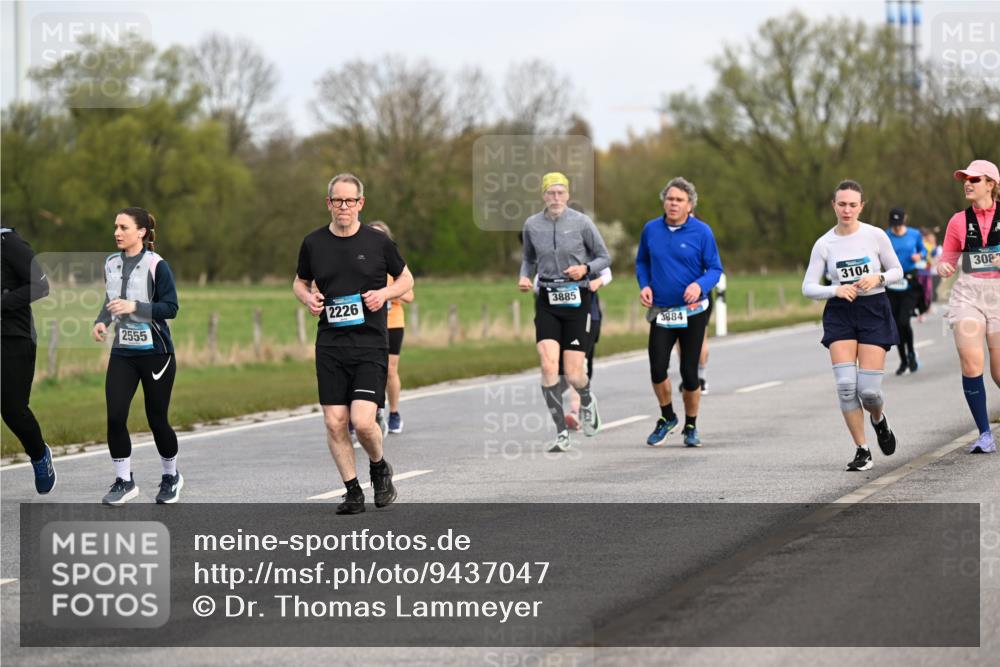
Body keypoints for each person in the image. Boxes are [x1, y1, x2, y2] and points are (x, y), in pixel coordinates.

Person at [294, 173, 414, 514]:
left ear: (360, 203)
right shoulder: (313, 243)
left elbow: (407, 278)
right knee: (334, 421)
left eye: (349, 201)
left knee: (362, 422)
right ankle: (352, 491)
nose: (343, 207)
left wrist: (385, 293)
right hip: (331, 344)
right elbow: (299, 282)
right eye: (337, 200)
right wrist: (308, 299)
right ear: (328, 203)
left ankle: (379, 466)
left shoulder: (377, 242)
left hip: (370, 344)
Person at [802, 181, 902, 471]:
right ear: (833, 205)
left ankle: (879, 419)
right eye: (842, 204)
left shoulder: (875, 236)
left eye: (852, 204)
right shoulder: (824, 244)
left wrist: (878, 278)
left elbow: (897, 270)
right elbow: (808, 286)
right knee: (846, 387)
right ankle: (862, 450)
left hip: (874, 309)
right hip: (840, 312)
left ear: (862, 206)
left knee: (869, 392)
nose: (847, 209)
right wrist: (835, 290)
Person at [91, 207, 181, 504]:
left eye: (123, 227)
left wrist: (135, 308)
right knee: (115, 417)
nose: (117, 232)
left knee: (157, 419)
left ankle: (171, 476)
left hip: (157, 353)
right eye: (115, 227)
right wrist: (102, 320)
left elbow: (171, 308)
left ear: (141, 232)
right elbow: (110, 299)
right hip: (123, 353)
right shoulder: (111, 263)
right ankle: (123, 481)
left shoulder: (157, 265)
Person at [518, 172, 611, 453]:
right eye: (551, 193)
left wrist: (585, 269)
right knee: (548, 366)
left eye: (560, 193)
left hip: (576, 300)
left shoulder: (582, 223)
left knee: (573, 373)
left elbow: (604, 257)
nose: (556, 198)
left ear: (567, 195)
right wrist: (524, 276)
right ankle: (561, 432)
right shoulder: (532, 225)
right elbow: (528, 258)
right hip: (547, 299)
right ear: (543, 195)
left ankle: (586, 397)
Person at [637, 177, 723, 448]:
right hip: (662, 310)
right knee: (657, 368)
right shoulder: (651, 229)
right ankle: (667, 416)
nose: (673, 204)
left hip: (693, 311)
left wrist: (699, 285)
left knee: (689, 371)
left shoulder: (702, 232)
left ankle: (691, 425)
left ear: (689, 205)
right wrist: (645, 285)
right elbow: (642, 261)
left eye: (679, 200)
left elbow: (715, 269)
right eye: (670, 199)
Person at [937, 159, 1000, 454]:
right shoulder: (957, 221)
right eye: (965, 178)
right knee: (971, 361)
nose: (968, 183)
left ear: (991, 184)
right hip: (968, 295)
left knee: (999, 373)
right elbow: (947, 259)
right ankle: (985, 434)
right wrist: (944, 268)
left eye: (975, 179)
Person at [1, 226, 56, 494]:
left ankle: (38, 455)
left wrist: (4, 301)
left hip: (13, 337)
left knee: (12, 408)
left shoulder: (8, 242)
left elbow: (41, 285)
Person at [369, 221, 414, 434]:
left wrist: (387, 291)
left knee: (390, 369)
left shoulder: (394, 265)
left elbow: (410, 295)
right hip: (368, 323)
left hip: (393, 321)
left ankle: (394, 412)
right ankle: (375, 409)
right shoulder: (362, 263)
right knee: (369, 369)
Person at [560, 266, 612, 430]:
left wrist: (597, 282)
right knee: (565, 367)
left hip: (589, 315)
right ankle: (583, 402)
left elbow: (607, 273)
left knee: (580, 364)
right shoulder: (556, 251)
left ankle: (576, 410)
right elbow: (538, 281)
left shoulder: (591, 250)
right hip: (561, 316)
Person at [885, 207, 927, 375]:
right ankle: (903, 360)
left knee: (904, 321)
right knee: (895, 325)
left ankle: (911, 354)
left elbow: (923, 250)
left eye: (899, 223)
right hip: (891, 283)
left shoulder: (914, 234)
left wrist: (919, 256)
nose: (896, 227)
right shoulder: (885, 235)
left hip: (909, 282)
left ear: (905, 219)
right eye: (894, 224)